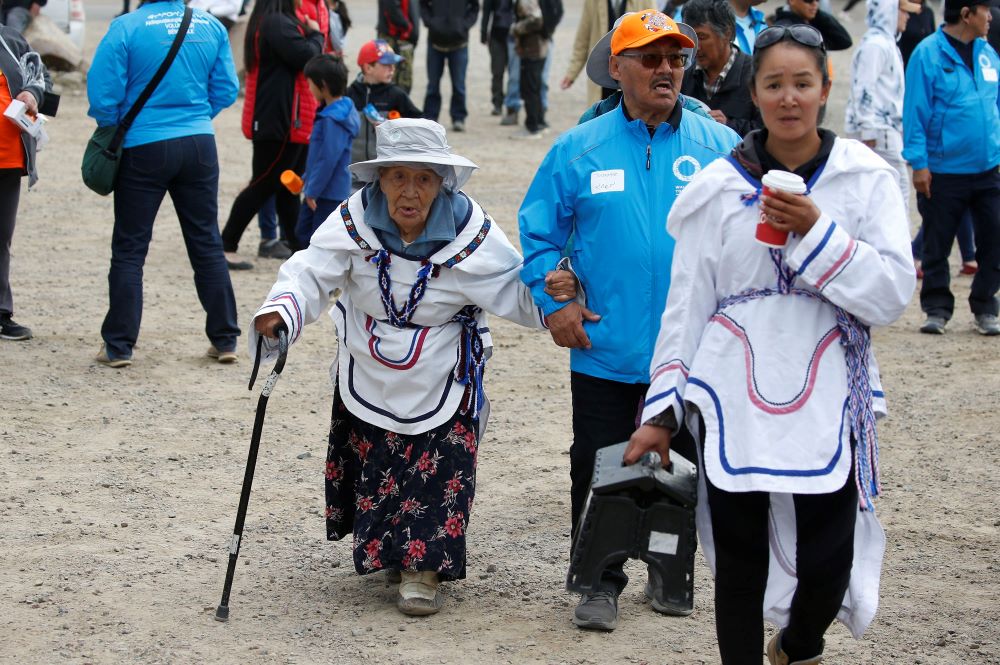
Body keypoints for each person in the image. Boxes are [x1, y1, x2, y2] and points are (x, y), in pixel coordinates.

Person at [625, 24, 916, 664]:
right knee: (738, 560)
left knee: (827, 559)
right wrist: (661, 412)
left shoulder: (863, 179)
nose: (789, 98)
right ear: (753, 93)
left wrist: (816, 232)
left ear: (824, 89)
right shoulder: (717, 189)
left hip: (828, 384)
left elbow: (892, 293)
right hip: (734, 394)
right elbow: (687, 306)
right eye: (774, 85)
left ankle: (799, 640)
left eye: (802, 84)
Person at [250, 118, 574, 616]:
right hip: (367, 356)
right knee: (377, 460)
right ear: (378, 180)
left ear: (441, 182)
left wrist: (556, 296)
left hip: (444, 365)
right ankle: (389, 554)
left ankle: (424, 569)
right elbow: (312, 271)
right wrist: (282, 309)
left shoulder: (471, 232)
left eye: (423, 178)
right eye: (397, 176)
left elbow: (514, 289)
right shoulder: (354, 220)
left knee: (439, 465)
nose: (409, 191)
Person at [518, 9, 740, 632]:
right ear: (616, 69)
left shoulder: (718, 149)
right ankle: (598, 580)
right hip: (605, 348)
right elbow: (537, 234)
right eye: (650, 57)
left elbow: (750, 237)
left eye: (675, 58)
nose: (666, 68)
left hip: (693, 355)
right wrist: (554, 298)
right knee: (599, 465)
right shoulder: (578, 149)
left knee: (688, 466)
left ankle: (672, 575)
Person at [87, 0, 240, 367]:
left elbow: (103, 94)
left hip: (143, 145)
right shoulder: (210, 25)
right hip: (199, 142)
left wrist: (117, 123)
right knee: (206, 241)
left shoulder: (126, 27)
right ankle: (225, 338)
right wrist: (197, 116)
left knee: (130, 248)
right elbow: (226, 89)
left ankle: (119, 345)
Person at [903, 0, 1000, 335]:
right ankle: (937, 308)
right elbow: (915, 111)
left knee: (994, 239)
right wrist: (919, 164)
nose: (991, 16)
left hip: (989, 169)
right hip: (944, 170)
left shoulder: (988, 53)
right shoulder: (927, 55)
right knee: (937, 244)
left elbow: (995, 105)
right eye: (986, 10)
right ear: (966, 14)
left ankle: (986, 304)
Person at [218, 0, 324, 271]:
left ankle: (299, 250)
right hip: (278, 119)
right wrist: (315, 34)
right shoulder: (276, 22)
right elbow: (308, 58)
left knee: (290, 186)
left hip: (286, 118)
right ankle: (225, 245)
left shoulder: (277, 20)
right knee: (263, 184)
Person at [845, 0, 922, 213]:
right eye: (903, 11)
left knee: (881, 193)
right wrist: (868, 128)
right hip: (879, 132)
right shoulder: (876, 45)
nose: (907, 17)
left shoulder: (884, 42)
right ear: (888, 12)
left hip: (884, 129)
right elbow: (864, 87)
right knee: (896, 191)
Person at [0, 26, 47, 341]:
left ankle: (1, 313)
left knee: (1, 235)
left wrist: (32, 94)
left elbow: (40, 75)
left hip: (8, 159)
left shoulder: (10, 39)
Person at [295, 54, 359, 247]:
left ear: (322, 85)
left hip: (327, 193)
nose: (309, 88)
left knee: (315, 240)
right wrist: (307, 178)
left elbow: (328, 158)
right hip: (324, 188)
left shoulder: (333, 119)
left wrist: (312, 190)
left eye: (310, 84)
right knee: (304, 234)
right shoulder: (342, 109)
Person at [346, 39, 422, 191]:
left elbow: (421, 125)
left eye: (393, 65)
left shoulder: (396, 95)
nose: (392, 69)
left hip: (385, 175)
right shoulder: (349, 95)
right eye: (387, 65)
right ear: (368, 68)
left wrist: (395, 126)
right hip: (352, 174)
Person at [680, 0, 761, 136]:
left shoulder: (756, 75)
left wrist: (729, 125)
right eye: (690, 38)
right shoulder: (683, 74)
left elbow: (769, 132)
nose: (695, 46)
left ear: (727, 33)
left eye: (702, 37)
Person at [560, 0, 646, 107]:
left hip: (633, 72)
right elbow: (583, 37)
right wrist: (572, 73)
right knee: (602, 111)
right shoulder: (593, 2)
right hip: (604, 72)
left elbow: (656, 32)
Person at [419, 0, 479, 132]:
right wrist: (430, 22)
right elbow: (422, 5)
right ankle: (430, 117)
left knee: (459, 85)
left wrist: (464, 25)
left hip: (459, 43)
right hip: (435, 42)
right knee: (432, 85)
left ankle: (459, 117)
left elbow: (474, 7)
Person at [509, 0, 548, 138]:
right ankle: (539, 122)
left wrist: (516, 28)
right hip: (539, 49)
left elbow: (536, 20)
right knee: (535, 87)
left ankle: (532, 126)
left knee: (529, 89)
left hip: (532, 50)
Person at [772, 0, 852, 51]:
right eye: (808, 0)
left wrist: (816, 13)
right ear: (792, 1)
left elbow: (844, 41)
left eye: (818, 0)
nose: (815, 4)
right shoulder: (786, 30)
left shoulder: (810, 20)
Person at [377, 0, 420, 93]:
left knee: (403, 84)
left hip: (406, 39)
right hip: (397, 38)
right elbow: (392, 9)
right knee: (393, 82)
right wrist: (408, 28)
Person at [481, 0, 516, 116]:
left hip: (515, 35)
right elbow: (486, 10)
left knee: (514, 74)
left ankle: (512, 105)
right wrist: (483, 31)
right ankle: (497, 102)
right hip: (497, 35)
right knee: (497, 71)